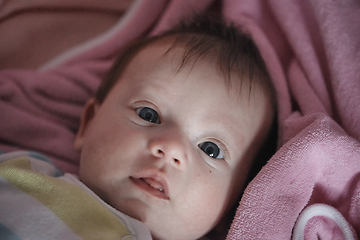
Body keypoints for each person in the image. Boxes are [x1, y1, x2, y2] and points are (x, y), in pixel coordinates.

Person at [0, 16, 277, 240]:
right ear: (88, 124)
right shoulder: (24, 177)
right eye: (149, 114)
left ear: (234, 205)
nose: (170, 149)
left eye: (211, 149)